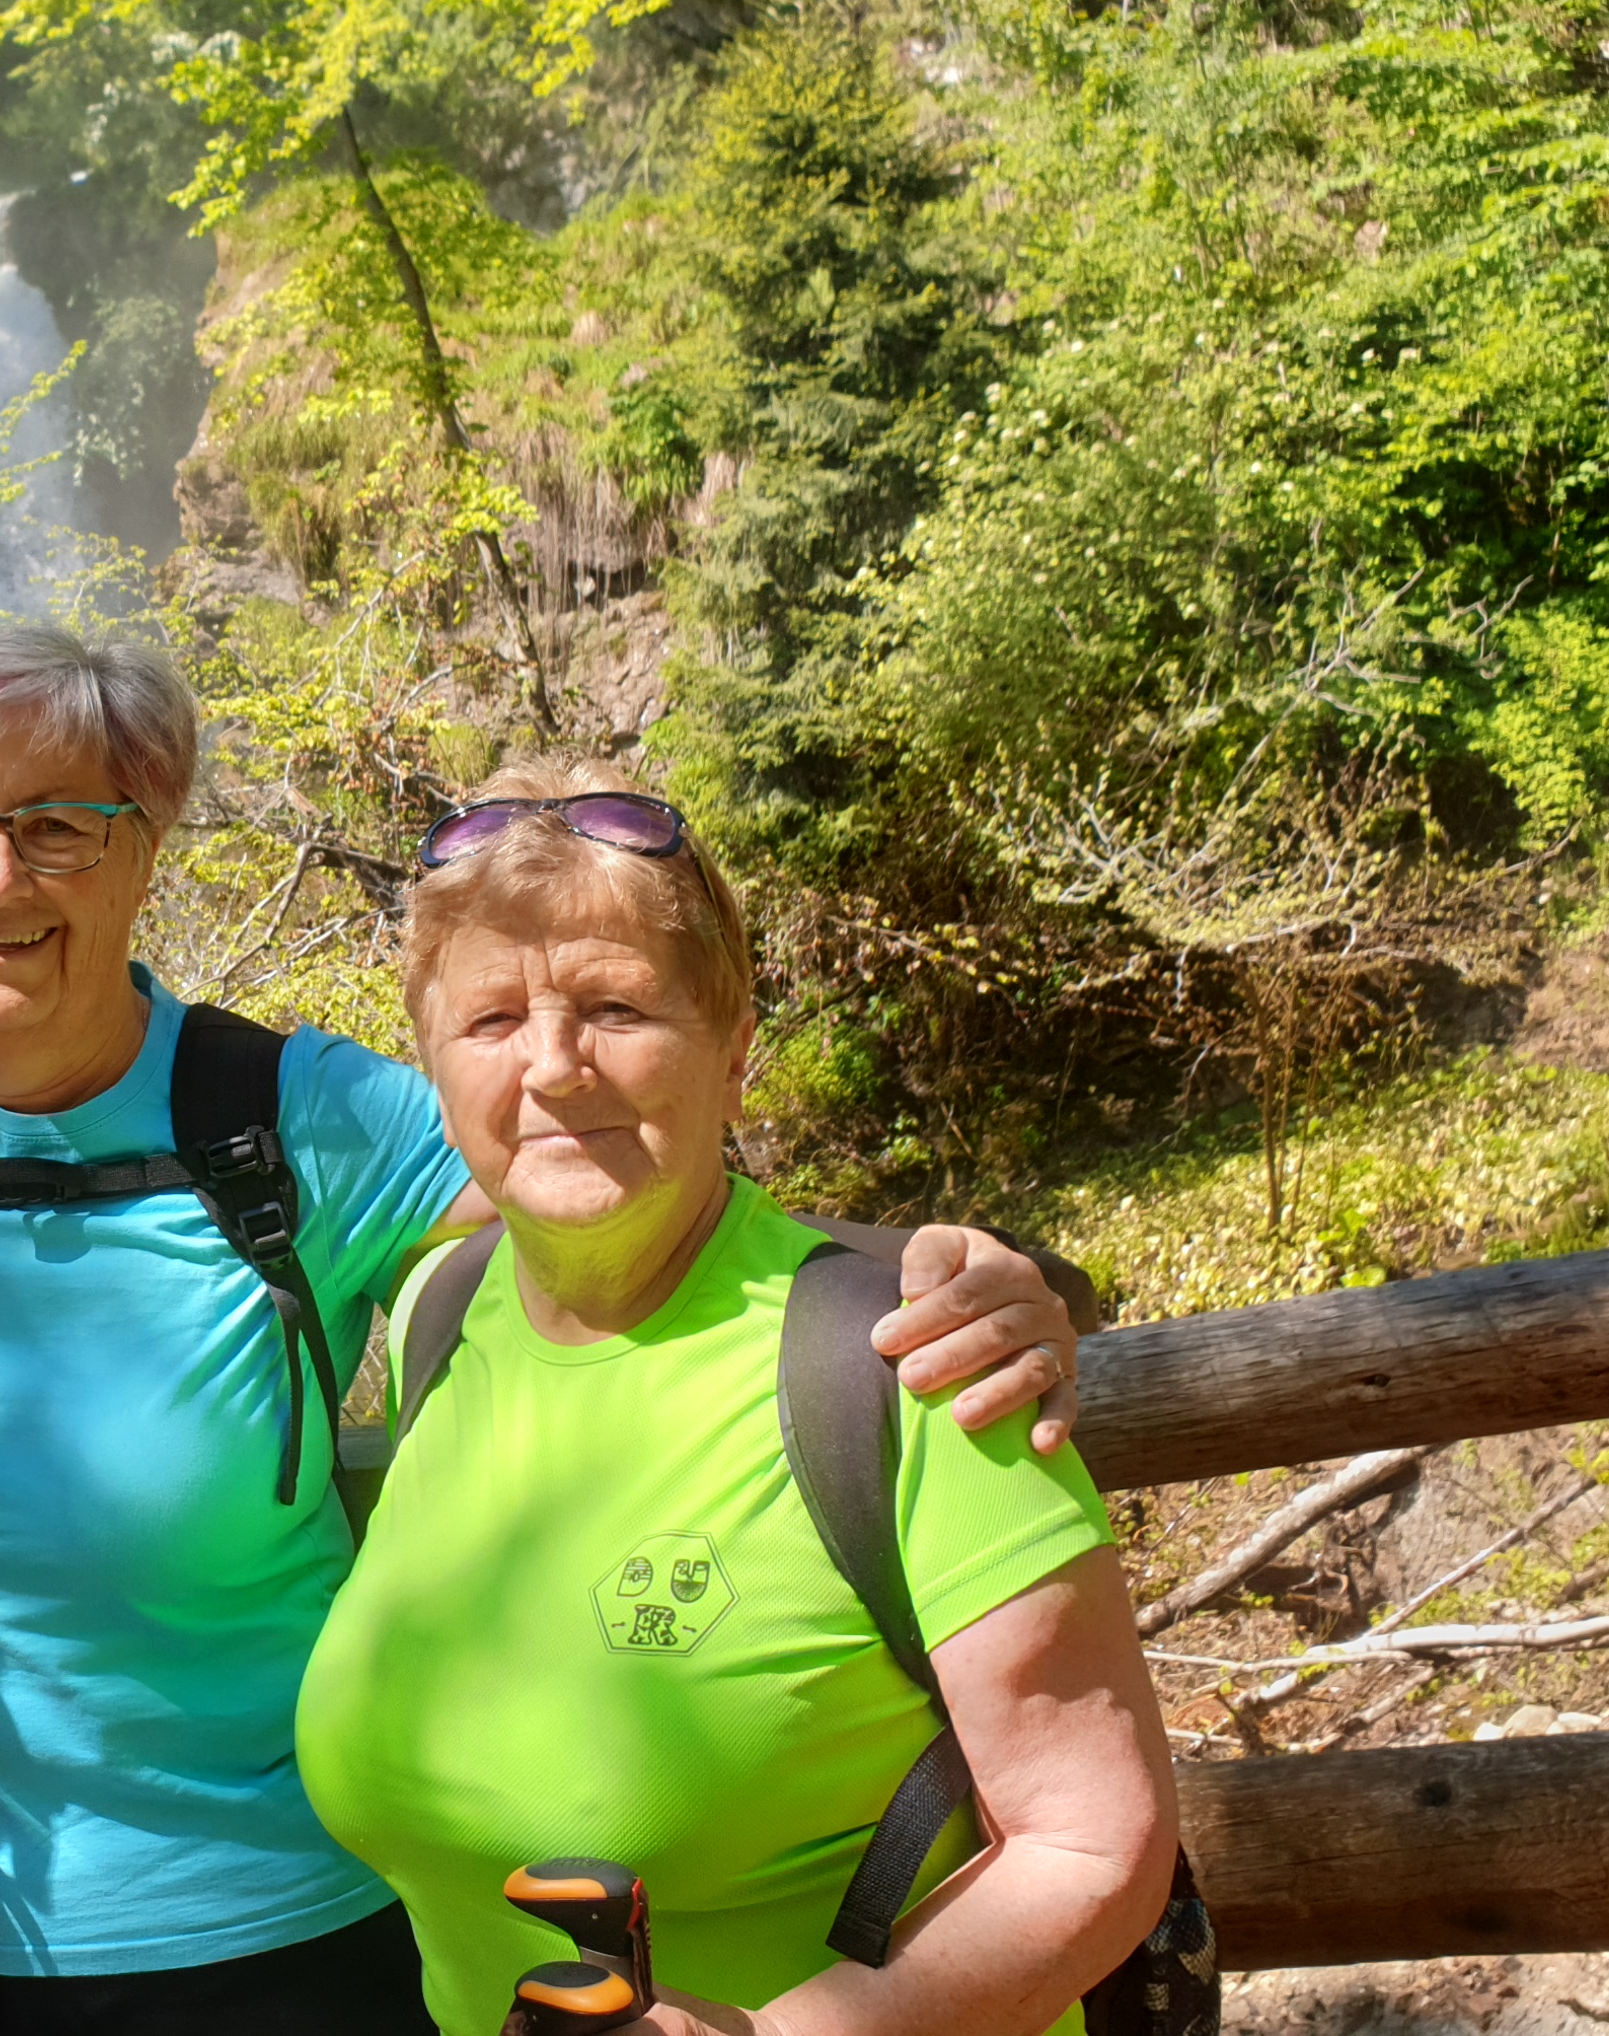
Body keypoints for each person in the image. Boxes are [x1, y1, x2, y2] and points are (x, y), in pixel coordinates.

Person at [0, 630, 1094, 2033]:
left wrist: (955, 1278)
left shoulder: (289, 1120)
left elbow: (620, 1191)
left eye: (58, 825)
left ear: (144, 848)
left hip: (280, 1951)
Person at [294, 761, 1180, 2036]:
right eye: (490, 1021)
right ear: (433, 1067)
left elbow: (1095, 1845)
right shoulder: (442, 1310)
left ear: (735, 1048)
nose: (553, 1067)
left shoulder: (904, 1361)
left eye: (615, 1007)